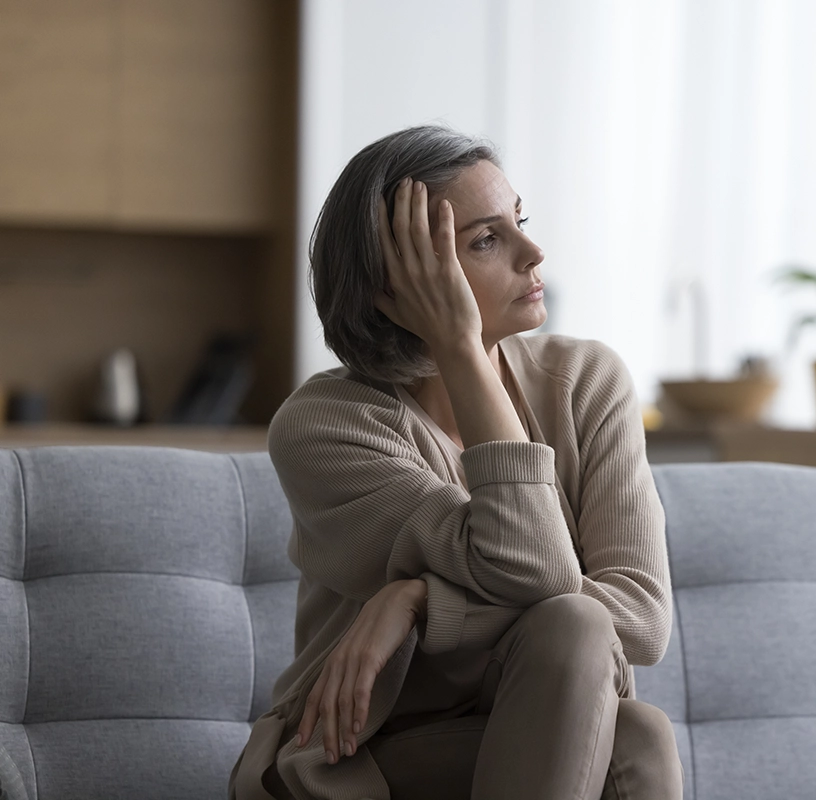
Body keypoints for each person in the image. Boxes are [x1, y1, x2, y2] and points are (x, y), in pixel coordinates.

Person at [228, 123, 682, 800]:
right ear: (396, 284)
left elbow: (642, 621)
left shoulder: (586, 381)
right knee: (584, 630)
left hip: (539, 738)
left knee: (635, 729)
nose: (534, 253)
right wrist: (463, 351)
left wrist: (417, 599)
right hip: (362, 761)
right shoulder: (325, 425)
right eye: (486, 240)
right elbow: (537, 567)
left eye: (519, 221)